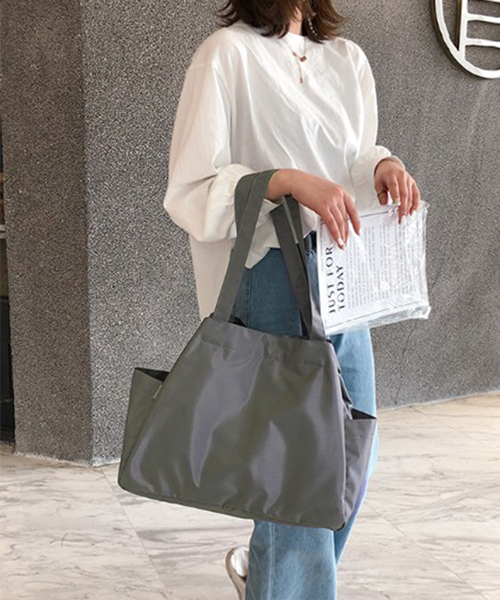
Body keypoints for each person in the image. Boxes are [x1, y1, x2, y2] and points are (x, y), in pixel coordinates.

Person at [162, 1, 420, 598]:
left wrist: (383, 165)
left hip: (343, 267)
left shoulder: (347, 59)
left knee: (353, 451)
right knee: (297, 467)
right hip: (274, 269)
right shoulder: (225, 55)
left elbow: (353, 154)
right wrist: (284, 180)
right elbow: (191, 188)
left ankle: (268, 575)